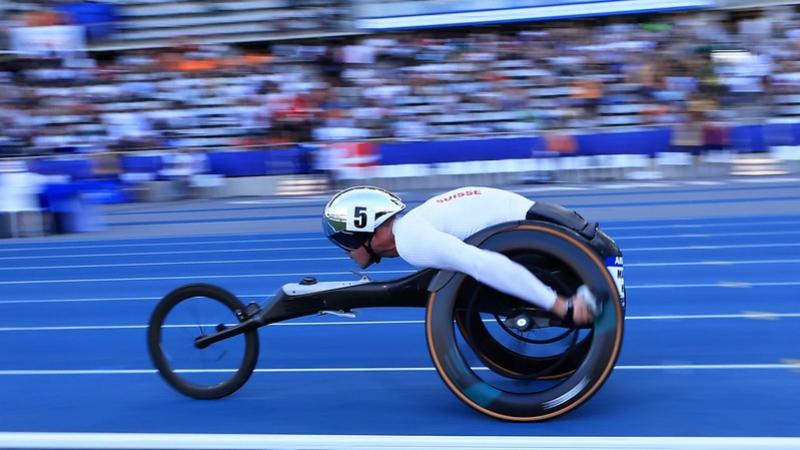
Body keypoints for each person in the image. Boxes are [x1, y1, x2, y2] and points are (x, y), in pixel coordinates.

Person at [322, 185, 598, 325]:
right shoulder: (415, 224)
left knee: (476, 267)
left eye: (344, 244)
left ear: (366, 232)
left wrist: (559, 305)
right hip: (545, 221)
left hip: (543, 235)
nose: (346, 254)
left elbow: (481, 263)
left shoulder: (410, 241)